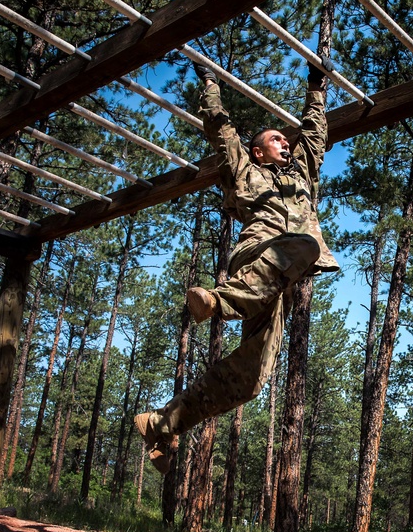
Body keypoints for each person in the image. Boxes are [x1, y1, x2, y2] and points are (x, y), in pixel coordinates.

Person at [134, 58, 339, 473]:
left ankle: (162, 422)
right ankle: (218, 301)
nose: (286, 142)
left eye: (287, 140)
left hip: (279, 278)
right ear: (258, 150)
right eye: (276, 139)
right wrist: (210, 83)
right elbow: (220, 127)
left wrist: (316, 86)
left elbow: (314, 134)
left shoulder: (302, 174)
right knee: (303, 246)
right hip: (258, 254)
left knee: (252, 379)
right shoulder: (244, 169)